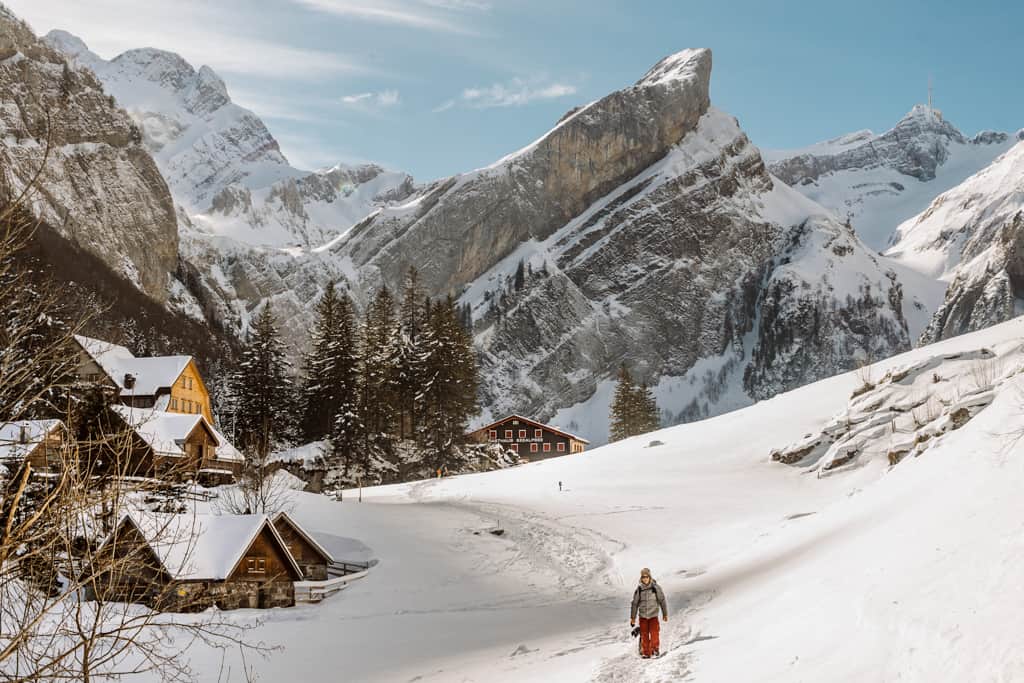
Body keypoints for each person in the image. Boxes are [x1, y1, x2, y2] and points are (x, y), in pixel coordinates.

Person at [630, 567, 667, 658]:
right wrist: (633, 618)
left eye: (646, 576)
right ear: (641, 578)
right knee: (644, 634)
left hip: (653, 615)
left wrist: (665, 613)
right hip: (643, 616)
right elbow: (635, 604)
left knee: (654, 632)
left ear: (649, 577)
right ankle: (646, 653)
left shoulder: (655, 588)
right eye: (643, 577)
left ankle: (655, 649)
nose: (645, 578)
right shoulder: (639, 589)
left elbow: (662, 600)